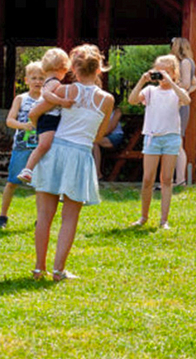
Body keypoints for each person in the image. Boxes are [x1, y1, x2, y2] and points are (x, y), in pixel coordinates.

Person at [31, 44, 114, 281]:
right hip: (80, 156)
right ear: (99, 69)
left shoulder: (65, 91)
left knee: (44, 216)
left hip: (55, 153)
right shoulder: (107, 100)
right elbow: (99, 136)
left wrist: (35, 124)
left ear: (74, 70)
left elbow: (36, 111)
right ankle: (59, 271)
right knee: (70, 218)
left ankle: (39, 268)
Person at [128, 54, 191, 229]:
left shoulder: (176, 92)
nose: (161, 75)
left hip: (171, 138)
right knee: (147, 179)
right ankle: (143, 217)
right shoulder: (149, 91)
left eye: (165, 71)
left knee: (166, 179)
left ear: (173, 73)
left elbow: (186, 100)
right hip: (152, 138)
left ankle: (164, 220)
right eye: (158, 71)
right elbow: (132, 100)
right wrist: (142, 81)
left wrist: (170, 83)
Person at [0, 62, 44, 229]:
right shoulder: (21, 99)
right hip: (22, 147)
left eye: (42, 78)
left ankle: (41, 221)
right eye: (34, 78)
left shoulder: (48, 99)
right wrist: (23, 126)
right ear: (26, 80)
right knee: (12, 182)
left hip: (41, 148)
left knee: (41, 186)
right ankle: (2, 216)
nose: (38, 81)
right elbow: (9, 121)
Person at [16, 48, 73, 184]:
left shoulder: (49, 80)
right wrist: (61, 102)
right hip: (48, 118)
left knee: (49, 147)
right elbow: (47, 95)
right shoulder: (54, 82)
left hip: (48, 118)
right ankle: (28, 170)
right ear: (64, 69)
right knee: (44, 145)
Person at [171, 37, 196, 185]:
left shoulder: (184, 63)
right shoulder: (189, 62)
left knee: (178, 143)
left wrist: (172, 86)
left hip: (180, 106)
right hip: (181, 104)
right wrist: (187, 92)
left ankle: (180, 179)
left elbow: (187, 83)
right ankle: (177, 179)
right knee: (177, 142)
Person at [92, 106, 124, 180]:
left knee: (93, 142)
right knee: (93, 143)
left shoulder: (117, 111)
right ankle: (96, 173)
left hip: (114, 136)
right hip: (98, 136)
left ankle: (97, 173)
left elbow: (109, 129)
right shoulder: (97, 108)